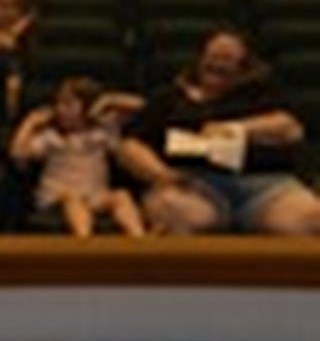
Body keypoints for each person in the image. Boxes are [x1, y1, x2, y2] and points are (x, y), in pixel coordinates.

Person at [118, 28, 319, 236]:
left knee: (307, 218)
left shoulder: (261, 93)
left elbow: (289, 128)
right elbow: (130, 145)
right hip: (192, 183)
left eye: (228, 59)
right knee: (178, 213)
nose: (218, 64)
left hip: (265, 185)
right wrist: (160, 175)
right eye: (213, 56)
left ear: (245, 66)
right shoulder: (169, 98)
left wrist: (234, 129)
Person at [12, 74, 145, 238]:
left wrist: (107, 101)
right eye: (58, 104)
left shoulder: (103, 131)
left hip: (95, 195)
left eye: (68, 104)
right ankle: (85, 244)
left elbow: (141, 105)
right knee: (74, 200)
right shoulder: (51, 137)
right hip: (58, 196)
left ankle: (140, 241)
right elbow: (17, 155)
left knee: (121, 196)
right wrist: (30, 124)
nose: (61, 110)